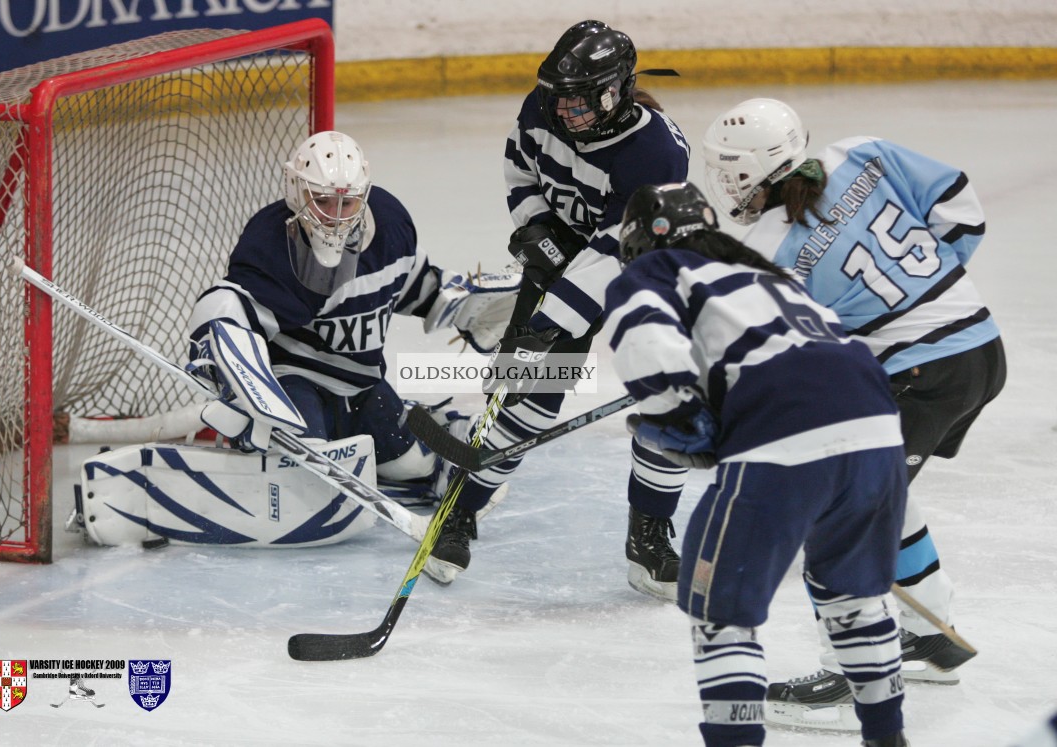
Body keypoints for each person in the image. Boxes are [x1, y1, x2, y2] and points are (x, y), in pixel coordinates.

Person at [701, 97, 1007, 728]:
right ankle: (930, 633)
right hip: (979, 347)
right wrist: (934, 300)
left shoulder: (766, 247)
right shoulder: (860, 152)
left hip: (925, 375)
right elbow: (958, 207)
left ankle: (850, 680)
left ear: (745, 173)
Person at [602, 181, 910, 747]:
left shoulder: (656, 270)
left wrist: (676, 421)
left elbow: (647, 344)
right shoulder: (767, 275)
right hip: (877, 424)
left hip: (786, 429)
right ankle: (887, 739)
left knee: (723, 613)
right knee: (854, 599)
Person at [426, 19, 694, 592]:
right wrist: (535, 226)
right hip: (565, 259)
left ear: (615, 91)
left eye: (580, 100)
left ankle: (648, 542)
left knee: (670, 401)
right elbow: (519, 163)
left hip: (642, 275)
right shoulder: (545, 107)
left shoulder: (656, 154)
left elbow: (614, 254)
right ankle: (460, 510)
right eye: (560, 97)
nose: (565, 111)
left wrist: (549, 323)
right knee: (523, 400)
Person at [186, 130, 520, 511]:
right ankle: (275, 443)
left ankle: (445, 427)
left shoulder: (390, 224)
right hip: (294, 382)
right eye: (323, 200)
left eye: (347, 203)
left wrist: (465, 306)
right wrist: (230, 359)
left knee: (412, 464)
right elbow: (229, 306)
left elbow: (413, 285)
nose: (335, 216)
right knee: (302, 467)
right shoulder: (270, 243)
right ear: (297, 191)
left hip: (360, 384)